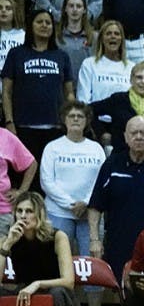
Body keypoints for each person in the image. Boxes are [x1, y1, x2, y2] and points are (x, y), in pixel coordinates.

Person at [88, 115, 144, 281]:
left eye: (143, 133)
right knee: (123, 291)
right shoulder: (111, 165)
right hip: (119, 242)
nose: (139, 137)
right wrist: (95, 240)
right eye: (134, 133)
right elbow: (95, 206)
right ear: (125, 137)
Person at [1, 8, 74, 167]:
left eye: (48, 23)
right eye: (39, 22)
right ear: (30, 26)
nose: (44, 25)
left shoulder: (61, 56)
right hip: (23, 126)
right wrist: (9, 121)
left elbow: (69, 93)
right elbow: (6, 91)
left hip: (55, 126)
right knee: (26, 173)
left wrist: (70, 120)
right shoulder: (16, 54)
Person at [39, 101, 104, 265]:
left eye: (80, 116)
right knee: (57, 263)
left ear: (86, 120)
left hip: (89, 215)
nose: (76, 119)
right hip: (58, 214)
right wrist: (71, 204)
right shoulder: (52, 147)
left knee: (90, 263)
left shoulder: (96, 148)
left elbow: (102, 181)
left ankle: (92, 292)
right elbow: (46, 181)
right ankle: (58, 292)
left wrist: (87, 203)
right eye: (71, 116)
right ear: (64, 119)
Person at [91, 61, 144, 155]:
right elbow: (90, 110)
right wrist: (102, 133)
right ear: (131, 79)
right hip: (121, 154)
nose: (143, 81)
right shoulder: (118, 100)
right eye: (139, 77)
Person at [76, 20, 133, 104]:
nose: (113, 36)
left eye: (116, 34)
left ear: (121, 39)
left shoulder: (131, 67)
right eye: (108, 33)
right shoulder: (89, 64)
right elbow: (83, 99)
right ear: (102, 39)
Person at [0, 125, 37, 234]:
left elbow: (31, 164)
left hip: (2, 212)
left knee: (3, 250)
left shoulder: (4, 135)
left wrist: (21, 191)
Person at [55, 0, 93, 86]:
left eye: (79, 6)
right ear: (65, 9)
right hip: (62, 87)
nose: (75, 10)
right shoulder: (56, 37)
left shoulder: (93, 37)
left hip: (86, 87)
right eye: (71, 6)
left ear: (84, 10)